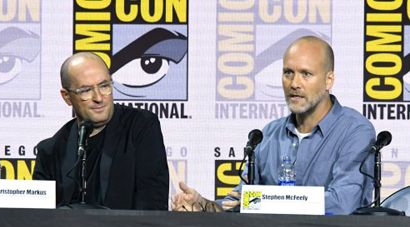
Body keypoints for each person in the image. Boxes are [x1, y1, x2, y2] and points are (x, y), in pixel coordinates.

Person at [172, 36, 375, 215]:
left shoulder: (355, 132)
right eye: (288, 72)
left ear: (328, 79)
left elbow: (343, 203)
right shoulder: (268, 134)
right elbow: (241, 204)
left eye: (306, 74)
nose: (294, 83)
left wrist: (266, 201)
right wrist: (203, 205)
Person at [33, 52, 169, 210]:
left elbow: (152, 205)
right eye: (85, 90)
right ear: (67, 97)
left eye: (104, 86)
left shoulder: (140, 127)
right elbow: (40, 222)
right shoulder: (50, 152)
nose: (99, 97)